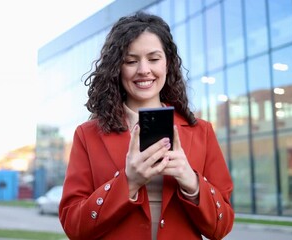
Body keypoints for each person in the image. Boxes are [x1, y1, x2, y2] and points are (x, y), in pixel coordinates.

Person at [59, 11, 234, 240]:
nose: (143, 70)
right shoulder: (87, 135)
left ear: (167, 63)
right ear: (117, 68)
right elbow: (74, 226)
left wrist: (191, 181)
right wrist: (128, 181)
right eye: (131, 61)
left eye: (153, 59)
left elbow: (221, 228)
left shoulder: (201, 131)